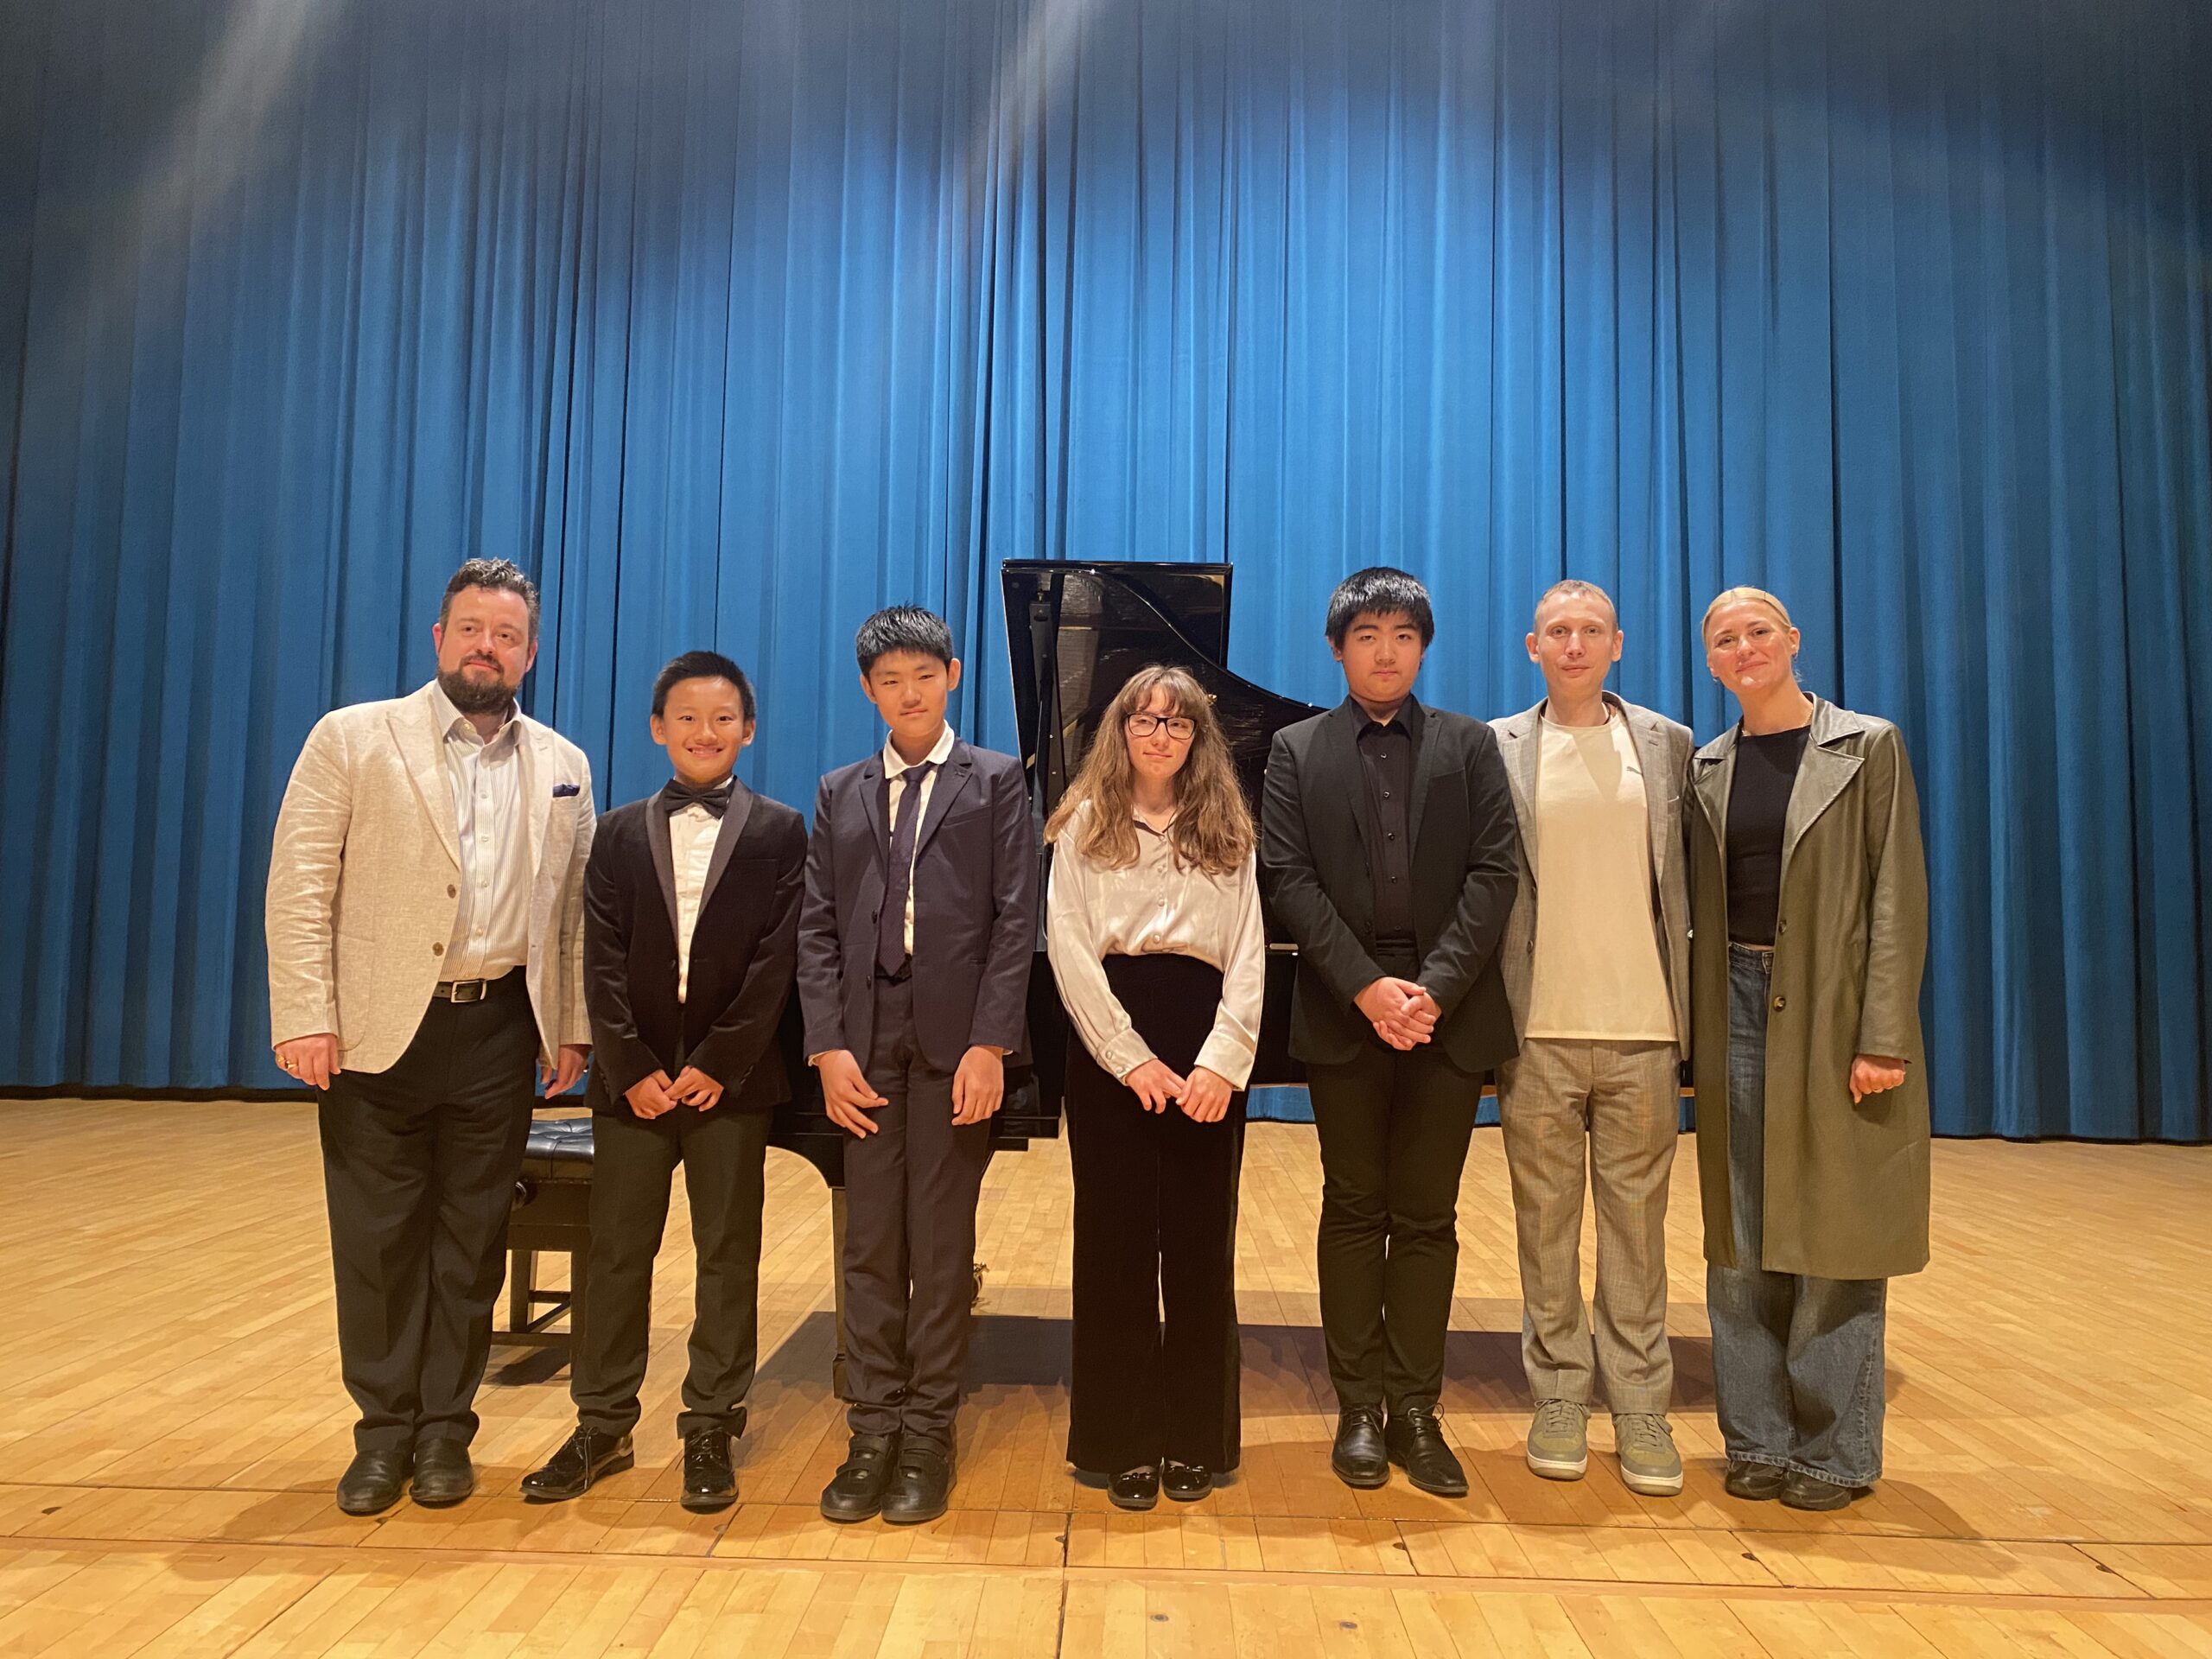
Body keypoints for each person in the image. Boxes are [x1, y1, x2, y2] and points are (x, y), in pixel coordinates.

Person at [265, 558, 595, 1516]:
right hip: (376, 1028)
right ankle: (382, 1434)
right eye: (469, 630)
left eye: (504, 635)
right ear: (438, 638)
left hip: (498, 1028)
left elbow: (568, 914)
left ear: (530, 653)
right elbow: (299, 887)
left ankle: (446, 1432)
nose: (484, 648)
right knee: (376, 1240)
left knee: (470, 1238)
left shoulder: (563, 764)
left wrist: (567, 1027)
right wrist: (305, 1015)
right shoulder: (353, 738)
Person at [520, 652, 806, 1514]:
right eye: (686, 717)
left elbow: (775, 964)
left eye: (723, 718)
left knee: (729, 1257)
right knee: (616, 1256)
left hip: (734, 1083)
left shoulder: (780, 830)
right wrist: (632, 1066)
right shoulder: (614, 833)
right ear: (658, 728)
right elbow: (597, 957)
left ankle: (711, 1422)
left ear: (747, 730)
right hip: (631, 1087)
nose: (704, 733)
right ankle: (601, 1424)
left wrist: (716, 1065)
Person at [1260, 567, 1519, 1497]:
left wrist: (1432, 990)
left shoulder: (1469, 744)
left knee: (1427, 1217)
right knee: (1352, 1208)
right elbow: (1287, 878)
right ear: (1337, 649)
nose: (1384, 650)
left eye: (1401, 635)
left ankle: (1416, 1408)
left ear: (1423, 646)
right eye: (1365, 634)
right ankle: (1357, 1410)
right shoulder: (1294, 749)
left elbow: (1497, 872)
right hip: (1344, 1008)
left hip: (1445, 1018)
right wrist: (1370, 989)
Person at [1686, 587, 1929, 1511]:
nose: (1743, 648)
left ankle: (1834, 1450)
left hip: (1830, 1010)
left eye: (1757, 633)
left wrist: (1883, 1035)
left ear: (1791, 642)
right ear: (1710, 662)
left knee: (1834, 1228)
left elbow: (1893, 896)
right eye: (1724, 640)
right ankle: (1756, 1439)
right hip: (1732, 1005)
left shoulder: (1867, 747)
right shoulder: (1706, 765)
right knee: (1740, 1229)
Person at [797, 607, 1039, 1525]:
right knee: (867, 1244)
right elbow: (816, 927)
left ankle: (928, 1429)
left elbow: (1017, 921)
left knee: (938, 1248)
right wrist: (824, 1045)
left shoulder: (995, 781)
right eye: (889, 680)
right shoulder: (838, 789)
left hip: (954, 1041)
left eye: (923, 676)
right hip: (860, 1042)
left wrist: (991, 1042)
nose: (908, 692)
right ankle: (872, 1426)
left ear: (954, 676)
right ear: (868, 690)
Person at [1045, 665, 1266, 1512]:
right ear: (1120, 728)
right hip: (1114, 1050)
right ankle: (1120, 1441)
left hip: (1206, 1043)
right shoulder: (1082, 827)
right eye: (1144, 719)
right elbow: (1067, 948)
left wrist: (1221, 1061)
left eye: (1177, 723)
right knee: (1115, 1250)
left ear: (1198, 738)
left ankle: (1193, 1439)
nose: (1160, 734)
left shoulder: (1229, 831)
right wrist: (1126, 1056)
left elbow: (1248, 954)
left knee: (1201, 1250)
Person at [1490, 581, 1694, 1497]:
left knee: (1637, 1233)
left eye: (1592, 631)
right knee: (1545, 1229)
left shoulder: (1668, 745)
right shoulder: (1496, 747)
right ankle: (1560, 1394)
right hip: (1536, 1027)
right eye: (1558, 631)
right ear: (1532, 646)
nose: (1575, 644)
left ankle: (1642, 1404)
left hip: (1644, 1026)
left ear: (1619, 642)